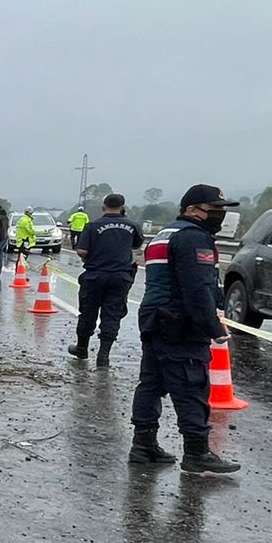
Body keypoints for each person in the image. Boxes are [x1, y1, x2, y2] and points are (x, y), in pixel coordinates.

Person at [129, 185, 240, 474]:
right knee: (191, 386)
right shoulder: (194, 238)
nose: (220, 215)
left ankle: (143, 445)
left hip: (154, 318)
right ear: (193, 210)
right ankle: (196, 452)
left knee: (151, 384)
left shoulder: (165, 235)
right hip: (180, 323)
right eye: (214, 209)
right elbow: (198, 288)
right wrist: (213, 327)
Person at [69, 193, 143, 366]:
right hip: (120, 277)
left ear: (103, 207)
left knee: (88, 313)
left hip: (95, 276)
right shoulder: (133, 226)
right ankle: (103, 355)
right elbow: (136, 245)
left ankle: (82, 348)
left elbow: (81, 251)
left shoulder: (92, 226)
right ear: (123, 207)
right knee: (112, 315)